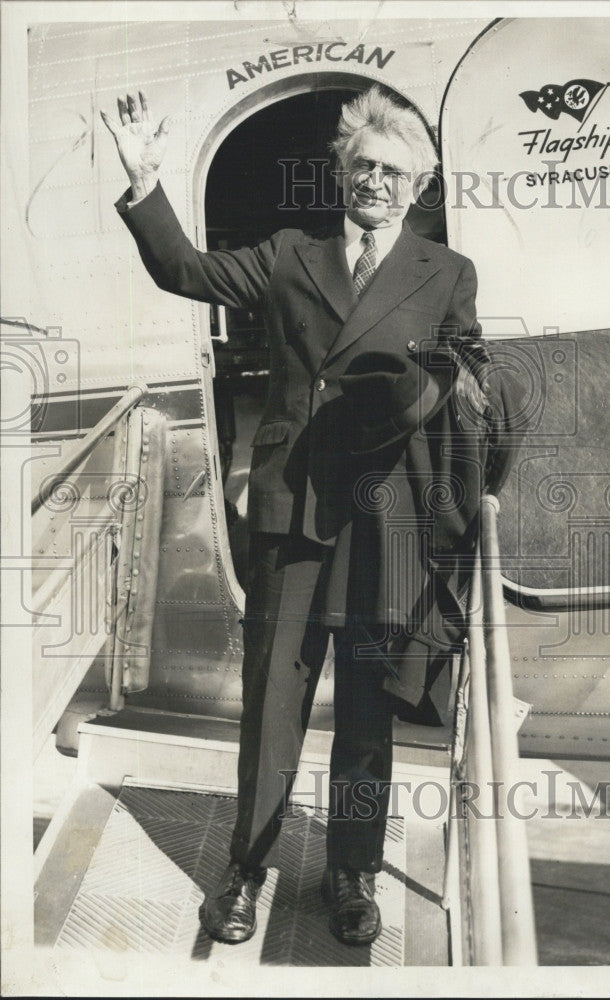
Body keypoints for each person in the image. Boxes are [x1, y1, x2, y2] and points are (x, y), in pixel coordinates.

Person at [101, 85, 501, 948]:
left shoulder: (446, 273)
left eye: (394, 172)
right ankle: (244, 867)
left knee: (364, 710)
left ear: (419, 183)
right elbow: (186, 271)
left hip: (384, 520)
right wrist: (144, 181)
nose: (376, 184)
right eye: (362, 166)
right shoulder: (290, 256)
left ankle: (350, 872)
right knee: (272, 704)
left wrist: (432, 398)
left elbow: (472, 382)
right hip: (293, 512)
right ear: (340, 173)